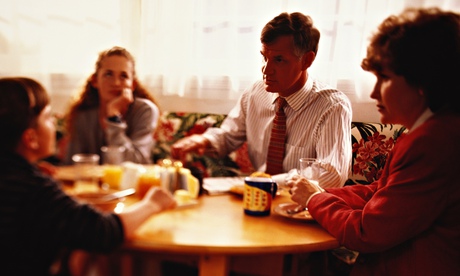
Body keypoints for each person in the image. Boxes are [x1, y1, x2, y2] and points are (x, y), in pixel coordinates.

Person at [289, 7, 460, 275]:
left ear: (424, 81)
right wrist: (319, 193)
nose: (374, 92)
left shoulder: (431, 142)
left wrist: (315, 199)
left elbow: (366, 232)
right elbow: (382, 190)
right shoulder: (438, 130)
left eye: (385, 78)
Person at [0, 77, 176, 275]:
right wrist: (154, 203)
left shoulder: (23, 181)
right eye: (48, 118)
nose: (53, 125)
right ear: (30, 138)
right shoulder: (34, 191)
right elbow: (104, 231)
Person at [171, 12, 352, 188]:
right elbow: (229, 134)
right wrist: (204, 140)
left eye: (279, 60)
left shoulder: (333, 106)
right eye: (265, 57)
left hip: (303, 210)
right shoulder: (255, 93)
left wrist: (271, 183)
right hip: (257, 198)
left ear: (306, 60)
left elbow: (332, 175)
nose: (266, 70)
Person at [63, 46, 160, 164]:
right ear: (95, 81)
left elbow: (136, 162)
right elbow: (73, 165)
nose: (116, 83)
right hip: (92, 181)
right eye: (108, 74)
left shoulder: (145, 110)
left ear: (133, 85)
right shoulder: (83, 116)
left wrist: (113, 118)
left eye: (123, 76)